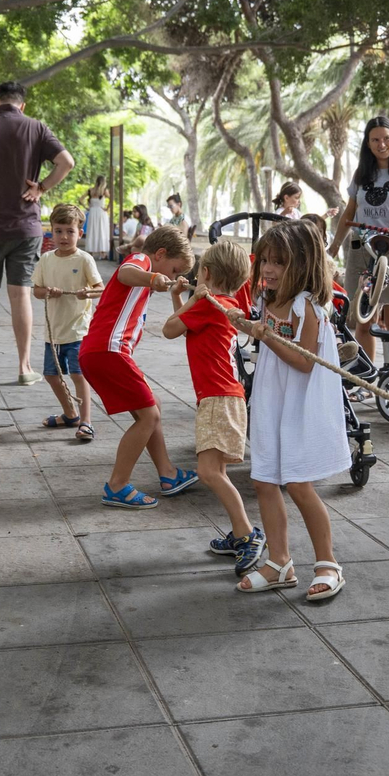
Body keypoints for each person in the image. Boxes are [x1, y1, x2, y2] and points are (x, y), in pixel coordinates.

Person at [233, 219, 349, 599]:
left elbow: (303, 362)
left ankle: (328, 563)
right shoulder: (268, 299)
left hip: (301, 402)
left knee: (298, 483)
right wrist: (248, 324)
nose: (268, 269)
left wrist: (263, 335)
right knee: (264, 479)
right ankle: (279, 562)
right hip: (273, 398)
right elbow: (265, 338)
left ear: (301, 263)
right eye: (265, 260)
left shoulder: (305, 306)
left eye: (278, 262)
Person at [0, 81, 76, 385]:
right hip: (25, 226)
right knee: (20, 294)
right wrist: (41, 187)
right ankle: (24, 367)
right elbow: (66, 162)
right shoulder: (37, 128)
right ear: (22, 104)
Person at [162, 239, 265, 576]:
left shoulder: (208, 305)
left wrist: (190, 297)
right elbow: (182, 327)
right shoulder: (224, 303)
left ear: (204, 273)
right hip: (225, 397)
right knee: (215, 471)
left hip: (218, 398)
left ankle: (247, 534)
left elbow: (169, 329)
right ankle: (240, 533)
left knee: (209, 473)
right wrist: (179, 297)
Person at [79, 224, 198, 508]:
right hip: (109, 351)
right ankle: (117, 485)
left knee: (152, 406)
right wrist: (153, 277)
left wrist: (173, 290)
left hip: (105, 352)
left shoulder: (147, 272)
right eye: (174, 270)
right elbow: (125, 272)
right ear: (160, 254)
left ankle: (168, 474)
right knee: (149, 416)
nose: (173, 277)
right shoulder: (141, 260)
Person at [330, 115, 389, 368]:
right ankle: (367, 379)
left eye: (386, 138)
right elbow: (348, 214)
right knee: (363, 321)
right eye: (375, 140)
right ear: (368, 143)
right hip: (362, 252)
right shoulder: (362, 175)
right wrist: (333, 247)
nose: (381, 144)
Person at [33, 202, 103, 442]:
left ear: (79, 233)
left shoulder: (84, 259)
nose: (64, 236)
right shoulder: (45, 259)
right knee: (51, 375)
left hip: (78, 329)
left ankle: (86, 422)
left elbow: (100, 288)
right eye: (59, 231)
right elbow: (36, 290)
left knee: (78, 375)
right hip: (53, 331)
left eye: (70, 231)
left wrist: (87, 292)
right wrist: (47, 292)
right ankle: (70, 414)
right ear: (51, 231)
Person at [83, 175, 111, 256]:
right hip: (101, 212)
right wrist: (107, 208)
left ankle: (91, 251)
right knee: (102, 230)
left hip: (92, 211)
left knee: (92, 230)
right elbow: (111, 199)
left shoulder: (90, 190)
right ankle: (102, 252)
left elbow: (80, 199)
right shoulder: (104, 191)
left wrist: (86, 207)